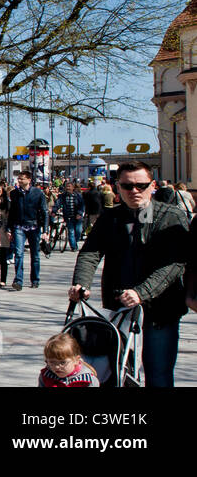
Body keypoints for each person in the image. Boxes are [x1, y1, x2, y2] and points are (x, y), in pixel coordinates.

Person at [69, 161, 188, 387]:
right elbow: (90, 253)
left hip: (161, 311)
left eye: (141, 185)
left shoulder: (171, 216)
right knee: (115, 373)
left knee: (158, 375)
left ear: (152, 185)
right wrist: (80, 284)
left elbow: (174, 264)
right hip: (119, 310)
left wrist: (141, 292)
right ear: (117, 187)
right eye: (127, 186)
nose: (134, 191)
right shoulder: (110, 217)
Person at [6, 170, 47, 290]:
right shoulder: (14, 193)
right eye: (19, 178)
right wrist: (9, 229)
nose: (19, 181)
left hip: (33, 226)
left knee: (35, 255)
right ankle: (18, 280)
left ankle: (35, 279)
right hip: (19, 226)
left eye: (22, 178)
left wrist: (45, 230)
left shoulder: (38, 193)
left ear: (29, 180)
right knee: (18, 254)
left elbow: (44, 211)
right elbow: (12, 212)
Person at [58, 183, 85, 252]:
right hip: (69, 217)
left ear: (73, 187)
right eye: (66, 187)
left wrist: (79, 213)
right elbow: (58, 203)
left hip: (77, 217)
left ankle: (74, 242)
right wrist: (54, 211)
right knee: (71, 232)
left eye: (69, 187)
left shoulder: (78, 195)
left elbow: (82, 205)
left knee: (78, 231)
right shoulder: (63, 196)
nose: (68, 188)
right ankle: (73, 247)